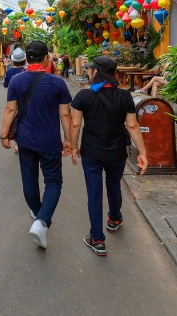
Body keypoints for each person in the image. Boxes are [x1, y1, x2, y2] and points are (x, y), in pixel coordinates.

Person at [70, 56, 148, 256]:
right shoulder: (124, 96)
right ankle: (114, 219)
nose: (87, 71)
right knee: (113, 185)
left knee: (94, 192)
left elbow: (75, 124)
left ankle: (97, 239)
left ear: (96, 72)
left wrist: (73, 146)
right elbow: (132, 125)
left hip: (91, 152)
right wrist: (142, 152)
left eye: (90, 69)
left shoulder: (83, 96)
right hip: (116, 151)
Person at [0, 41, 72, 250]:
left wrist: (4, 136)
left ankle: (38, 214)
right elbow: (65, 113)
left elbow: (9, 110)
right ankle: (41, 221)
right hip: (50, 141)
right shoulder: (57, 83)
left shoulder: (17, 80)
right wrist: (69, 140)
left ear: (27, 59)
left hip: (25, 140)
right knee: (54, 182)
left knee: (29, 179)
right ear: (46, 58)